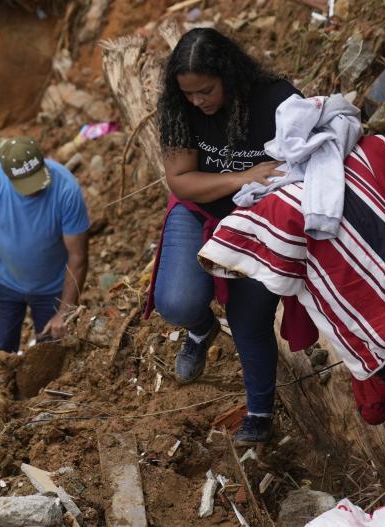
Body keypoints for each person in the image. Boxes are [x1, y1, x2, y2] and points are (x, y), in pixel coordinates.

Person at [148, 28, 302, 445]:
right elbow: (181, 181)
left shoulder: (277, 99)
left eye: (206, 90)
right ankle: (199, 329)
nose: (198, 101)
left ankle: (259, 413)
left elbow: (308, 160)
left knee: (249, 318)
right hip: (201, 209)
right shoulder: (180, 109)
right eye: (189, 94)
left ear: (230, 75)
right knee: (176, 301)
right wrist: (240, 178)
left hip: (260, 219)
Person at [0, 136, 90, 376]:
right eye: (26, 184)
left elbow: (78, 257)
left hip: (52, 285)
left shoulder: (66, 189)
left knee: (50, 361)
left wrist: (64, 311)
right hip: (4, 279)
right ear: (7, 175)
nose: (35, 189)